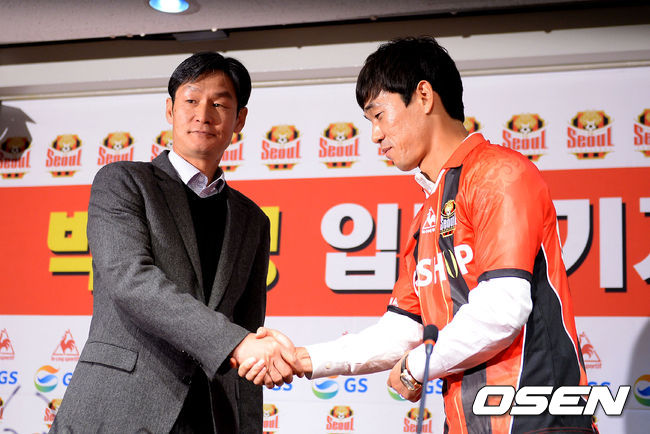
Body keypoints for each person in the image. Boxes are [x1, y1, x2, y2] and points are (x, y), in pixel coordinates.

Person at [239, 37, 596, 433]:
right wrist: (302, 359)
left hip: (540, 421)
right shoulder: (426, 214)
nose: (374, 135)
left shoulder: (499, 174)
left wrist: (416, 367)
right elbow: (403, 331)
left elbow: (502, 309)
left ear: (424, 96)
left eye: (379, 115)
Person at [51, 52, 302, 434]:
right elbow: (130, 280)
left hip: (208, 415)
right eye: (191, 100)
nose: (203, 114)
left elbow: (249, 327)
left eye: (220, 104)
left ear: (240, 119)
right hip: (117, 408)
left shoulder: (252, 220)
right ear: (170, 110)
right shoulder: (123, 182)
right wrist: (235, 343)